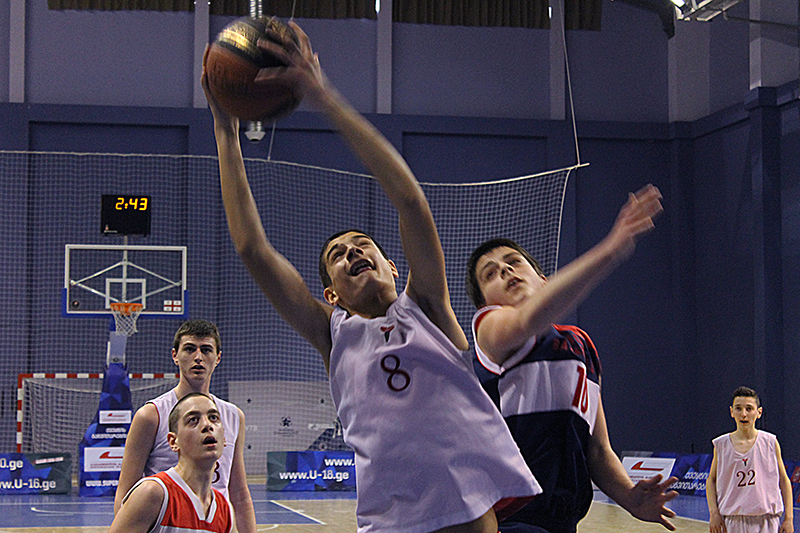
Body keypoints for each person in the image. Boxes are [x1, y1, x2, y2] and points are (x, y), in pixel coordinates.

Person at [204, 19, 540, 533]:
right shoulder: (332, 333)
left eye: (363, 246)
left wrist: (323, 96)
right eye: (338, 256)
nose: (353, 252)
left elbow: (410, 201)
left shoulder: (426, 306)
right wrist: (225, 133)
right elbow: (252, 248)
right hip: (388, 523)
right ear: (332, 294)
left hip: (466, 517)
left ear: (393, 267)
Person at [466, 185, 679, 533]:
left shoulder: (580, 346)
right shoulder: (489, 330)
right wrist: (611, 248)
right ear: (483, 305)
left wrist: (630, 497)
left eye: (513, 262)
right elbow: (525, 320)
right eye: (489, 273)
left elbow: (597, 450)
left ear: (543, 280)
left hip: (563, 523)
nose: (504, 270)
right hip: (506, 522)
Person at [114, 320, 255, 533]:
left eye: (206, 350)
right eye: (189, 349)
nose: (198, 357)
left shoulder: (234, 416)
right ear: (175, 355)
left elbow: (239, 494)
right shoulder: (151, 415)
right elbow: (126, 493)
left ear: (217, 358)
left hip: (217, 522)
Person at [109, 392, 236, 533]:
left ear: (224, 437)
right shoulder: (153, 493)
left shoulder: (225, 510)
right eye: (193, 420)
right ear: (173, 441)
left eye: (213, 418)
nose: (207, 425)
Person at [706, 386, 793, 533]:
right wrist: (714, 513)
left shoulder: (770, 442)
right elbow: (711, 481)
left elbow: (784, 480)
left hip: (767, 520)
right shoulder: (721, 444)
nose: (744, 414)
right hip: (733, 520)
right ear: (731, 412)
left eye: (749, 409)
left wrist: (789, 518)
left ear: (759, 412)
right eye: (738, 408)